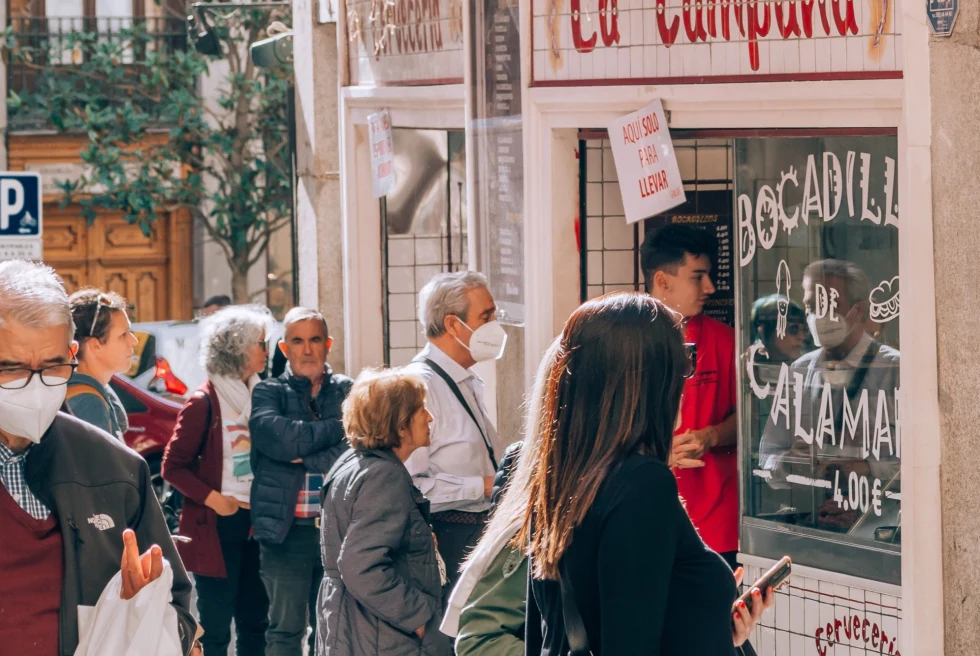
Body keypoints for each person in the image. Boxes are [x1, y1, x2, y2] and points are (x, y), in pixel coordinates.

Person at [520, 292, 773, 655]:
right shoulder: (641, 484)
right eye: (683, 360)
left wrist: (721, 632)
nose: (688, 376)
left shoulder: (561, 475)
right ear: (649, 378)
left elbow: (554, 634)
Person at [0, 260, 200, 656]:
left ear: (72, 353)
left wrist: (144, 609)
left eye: (54, 366)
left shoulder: (117, 468)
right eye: (13, 368)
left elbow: (179, 608)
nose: (36, 385)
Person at [162, 305, 273, 656]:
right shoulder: (203, 402)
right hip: (216, 525)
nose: (266, 351)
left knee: (256, 623)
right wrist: (215, 499)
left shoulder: (262, 395)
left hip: (257, 526)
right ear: (239, 349)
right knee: (215, 628)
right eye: (260, 344)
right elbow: (172, 466)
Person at [758, 259, 900, 533]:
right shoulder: (799, 372)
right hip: (813, 531)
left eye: (829, 305)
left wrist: (867, 468)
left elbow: (924, 465)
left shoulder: (896, 370)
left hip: (880, 533)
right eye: (812, 306)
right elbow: (766, 458)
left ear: (858, 310)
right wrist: (790, 463)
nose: (817, 316)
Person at [316, 368, 451, 656]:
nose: (429, 417)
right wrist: (421, 619)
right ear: (400, 424)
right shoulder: (382, 475)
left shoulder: (355, 464)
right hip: (380, 637)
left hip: (358, 630)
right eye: (421, 409)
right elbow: (360, 566)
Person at [441, 338, 561, 656]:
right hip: (456, 528)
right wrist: (478, 486)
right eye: (486, 314)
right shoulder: (428, 385)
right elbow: (478, 637)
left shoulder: (474, 384)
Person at [249, 306, 353, 656]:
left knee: (333, 631)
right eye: (297, 341)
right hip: (285, 532)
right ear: (284, 348)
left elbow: (355, 448)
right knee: (284, 631)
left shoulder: (347, 391)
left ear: (328, 344)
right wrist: (335, 431)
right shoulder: (267, 393)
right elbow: (277, 440)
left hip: (338, 532)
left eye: (314, 340)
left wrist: (303, 452)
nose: (307, 349)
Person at [403, 271, 509, 596]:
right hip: (448, 539)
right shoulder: (419, 386)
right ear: (453, 325)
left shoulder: (467, 380)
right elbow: (411, 487)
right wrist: (485, 486)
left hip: (480, 534)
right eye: (486, 316)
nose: (495, 325)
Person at [641, 224, 740, 569]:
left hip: (719, 525)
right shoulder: (623, 343)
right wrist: (655, 454)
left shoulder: (726, 341)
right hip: (647, 515)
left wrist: (712, 435)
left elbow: (755, 419)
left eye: (710, 275)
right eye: (698, 277)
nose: (710, 287)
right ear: (663, 281)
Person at [65, 289, 138, 440]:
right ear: (95, 346)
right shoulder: (88, 402)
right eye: (123, 334)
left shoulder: (89, 391)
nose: (134, 341)